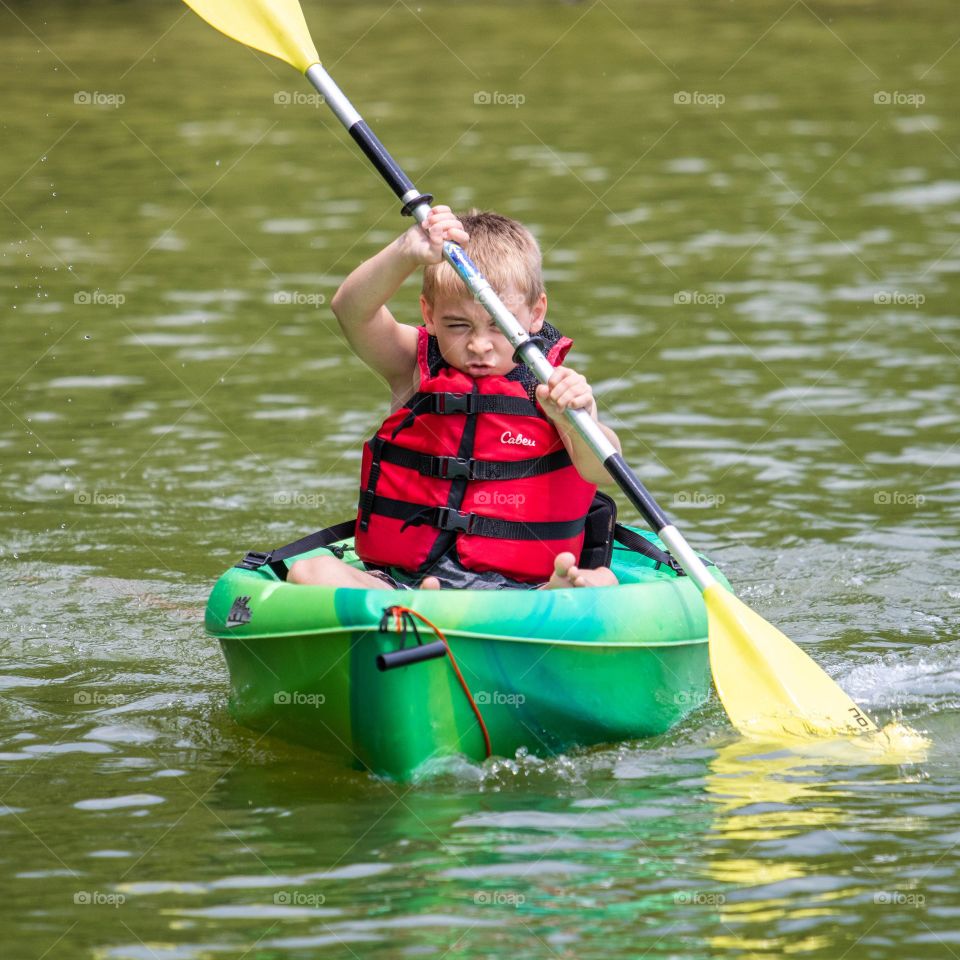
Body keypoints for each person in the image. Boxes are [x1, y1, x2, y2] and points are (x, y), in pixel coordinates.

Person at [288, 206, 621, 591]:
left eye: (500, 326)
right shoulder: (410, 364)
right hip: (406, 582)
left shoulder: (558, 386)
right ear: (428, 314)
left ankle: (557, 590)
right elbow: (350, 309)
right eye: (458, 325)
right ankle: (422, 606)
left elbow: (602, 471)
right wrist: (407, 251)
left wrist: (568, 418)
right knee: (308, 572)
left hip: (522, 589)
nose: (479, 345)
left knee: (603, 580)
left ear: (535, 314)